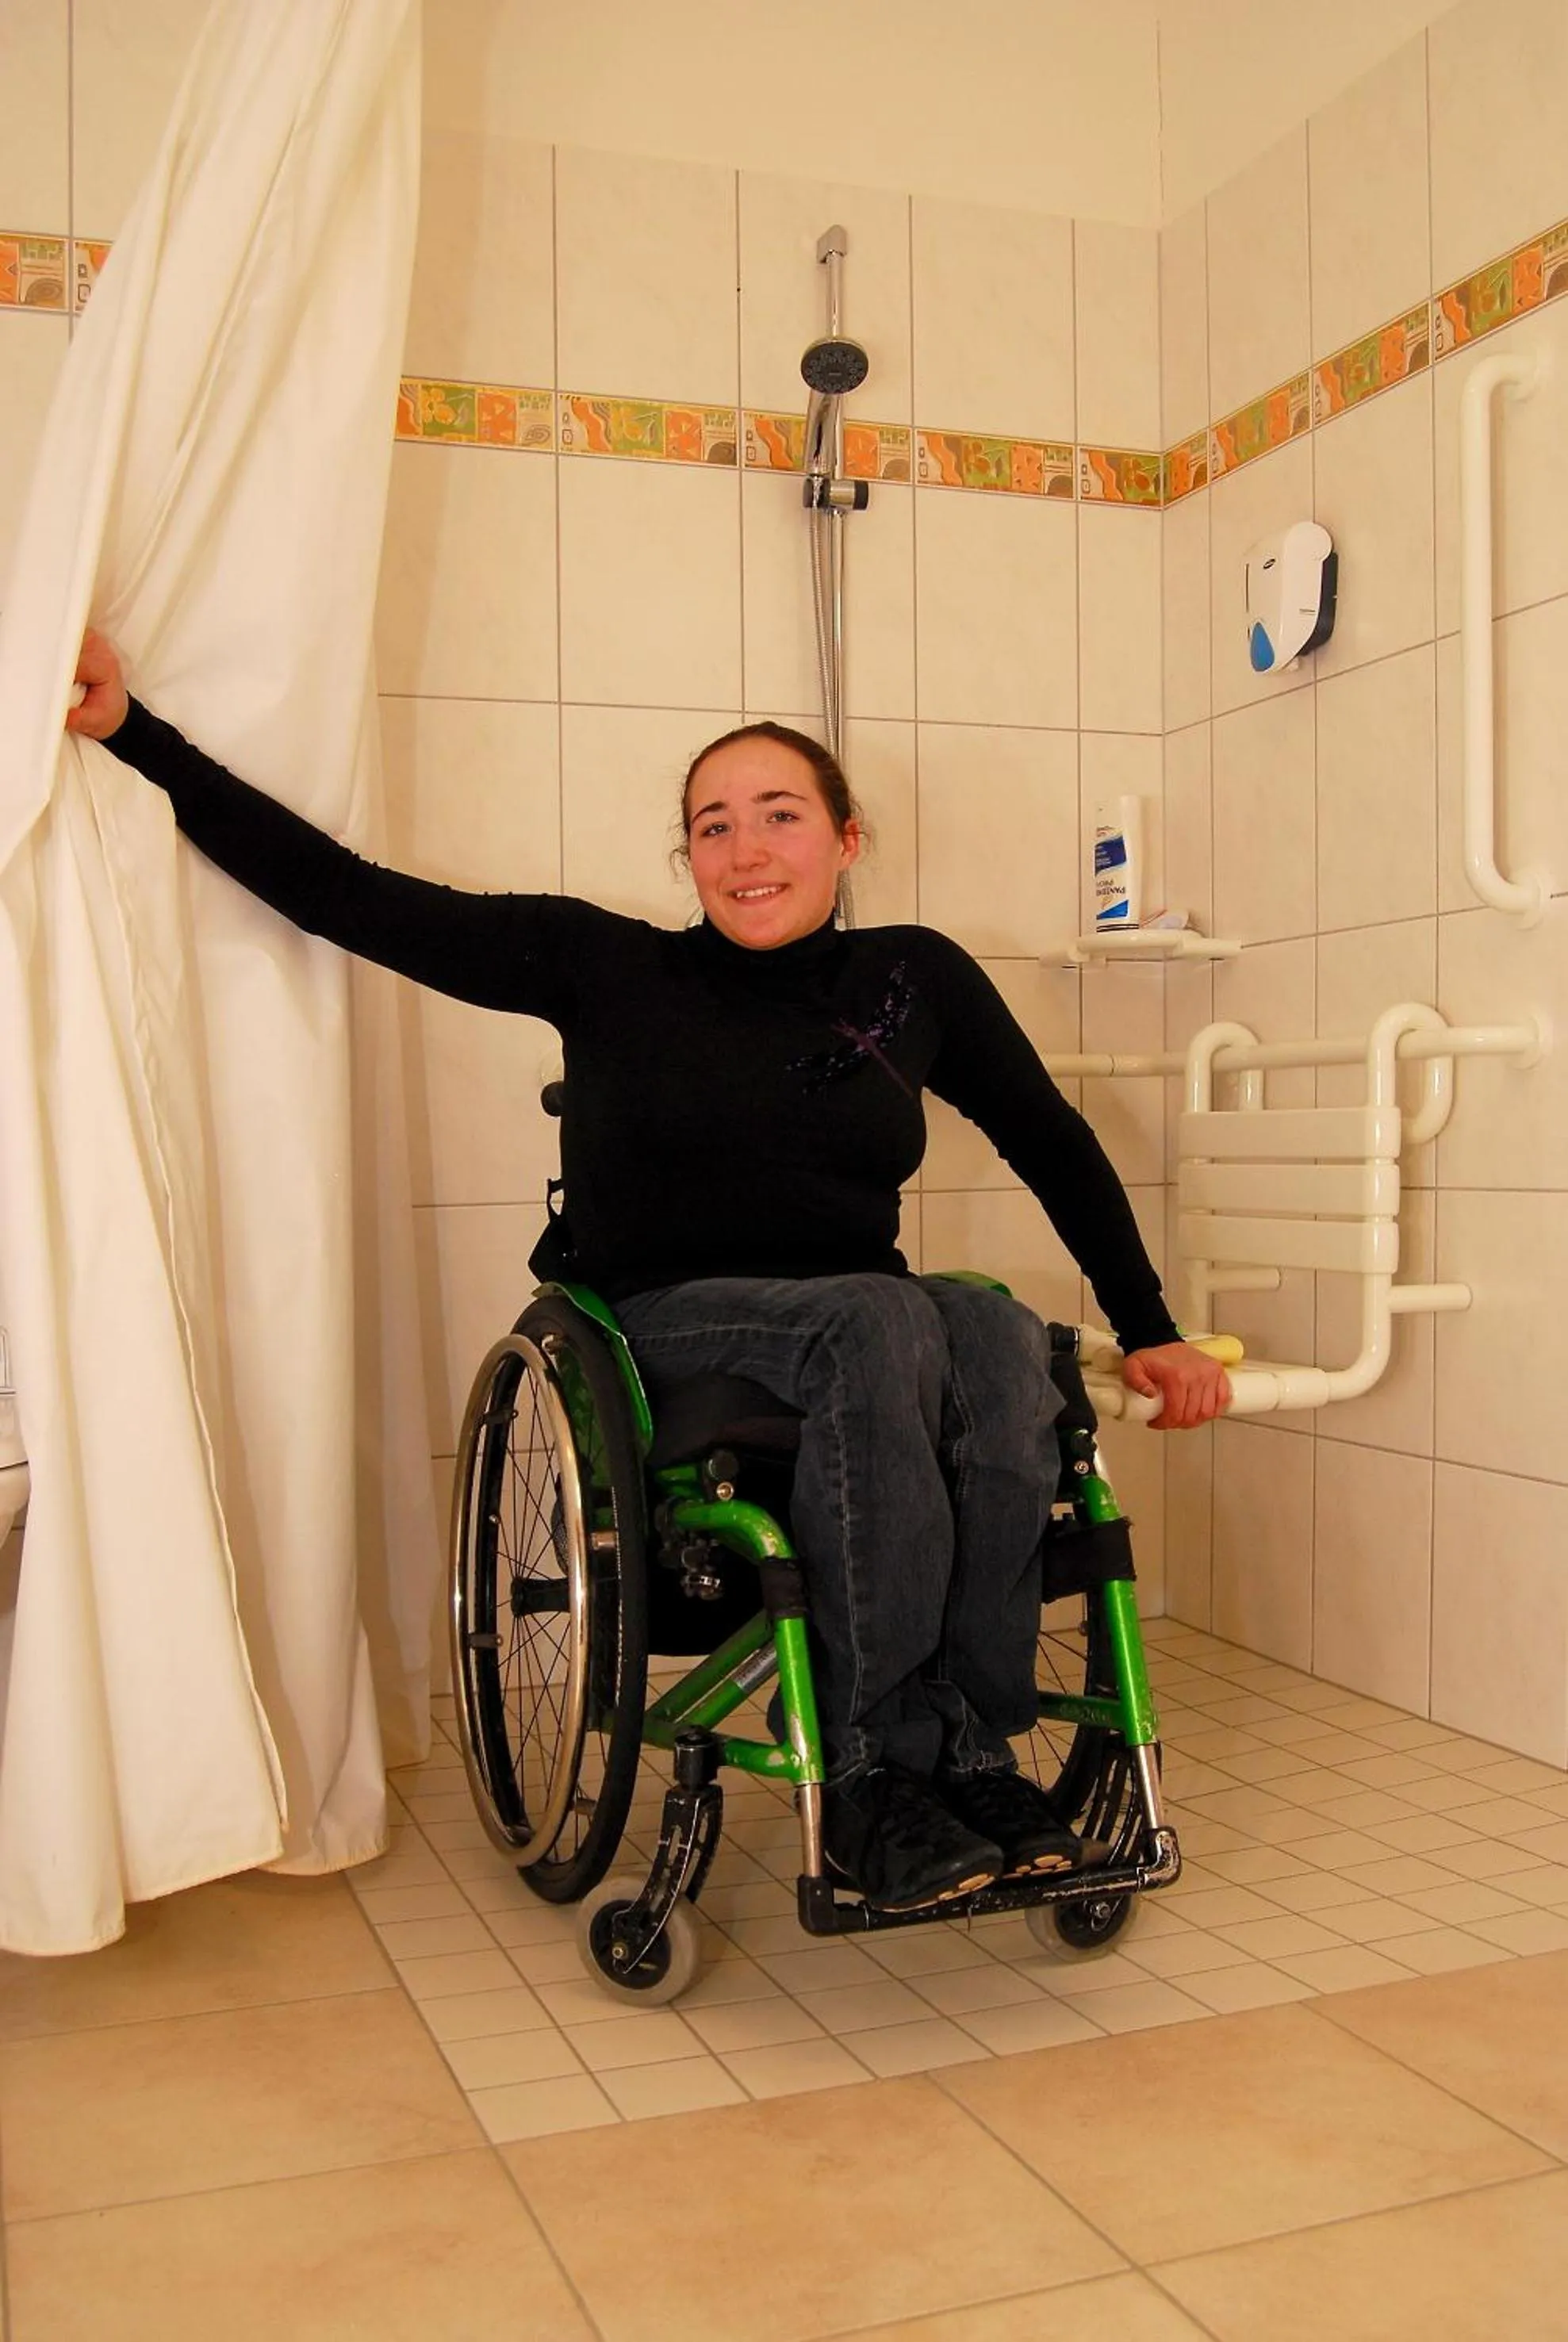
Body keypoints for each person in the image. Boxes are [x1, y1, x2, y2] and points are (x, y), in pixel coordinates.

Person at [67, 631, 1228, 1912]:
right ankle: (869, 1776)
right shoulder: (608, 965)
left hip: (860, 1319)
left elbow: (1050, 1141)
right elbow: (347, 895)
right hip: (658, 1324)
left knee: (1003, 1333)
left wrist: (1152, 1324)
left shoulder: (913, 976)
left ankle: (971, 1749)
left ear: (848, 840)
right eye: (713, 827)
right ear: (688, 861)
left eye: (779, 815)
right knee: (881, 1319)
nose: (746, 851)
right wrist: (135, 733)